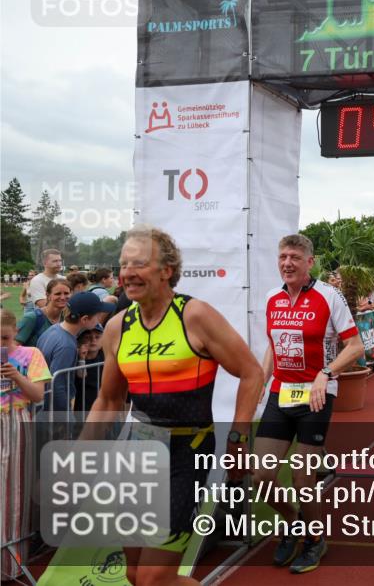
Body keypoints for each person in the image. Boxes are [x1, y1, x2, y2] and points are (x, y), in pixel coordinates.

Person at [84, 225, 264, 586]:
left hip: (187, 452)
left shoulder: (194, 315)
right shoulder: (119, 327)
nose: (127, 273)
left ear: (166, 270)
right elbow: (109, 398)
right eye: (123, 264)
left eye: (139, 263)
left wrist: (239, 439)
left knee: (154, 577)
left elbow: (251, 373)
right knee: (134, 573)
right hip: (139, 451)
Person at [253, 234, 363, 574]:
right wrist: (261, 381)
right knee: (261, 476)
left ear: (309, 262)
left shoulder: (329, 296)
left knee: (303, 477)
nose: (287, 263)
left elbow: (355, 346)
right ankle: (293, 521)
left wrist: (325, 374)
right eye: (283, 257)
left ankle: (315, 540)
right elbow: (273, 346)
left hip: (317, 394)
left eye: (295, 258)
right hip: (281, 392)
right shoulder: (272, 298)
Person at [0, 309, 51, 580]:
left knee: (13, 491)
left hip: (16, 422)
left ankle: (9, 565)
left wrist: (16, 376)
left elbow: (38, 396)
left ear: (15, 332)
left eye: (4, 338)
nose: (0, 344)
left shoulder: (30, 354)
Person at [38, 291, 113, 412]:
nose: (99, 320)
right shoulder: (67, 345)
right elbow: (57, 385)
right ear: (85, 319)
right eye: (97, 316)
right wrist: (65, 416)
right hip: (54, 412)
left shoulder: (53, 329)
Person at [16, 278, 70, 347]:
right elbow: (10, 346)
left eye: (66, 293)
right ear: (48, 295)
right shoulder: (32, 318)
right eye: (58, 294)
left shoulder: (67, 318)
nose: (63, 297)